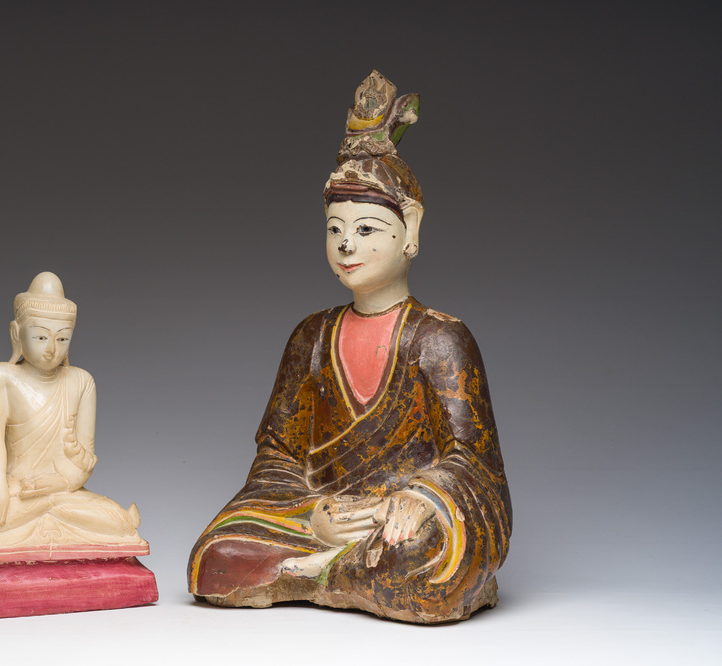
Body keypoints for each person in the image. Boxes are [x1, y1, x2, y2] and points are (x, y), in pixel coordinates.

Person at [188, 71, 511, 623]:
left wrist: (424, 498)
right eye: (335, 229)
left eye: (366, 229)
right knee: (211, 559)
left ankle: (317, 572)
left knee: (429, 557)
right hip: (324, 514)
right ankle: (338, 564)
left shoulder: (441, 338)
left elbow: (474, 463)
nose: (345, 244)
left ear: (409, 230)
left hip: (398, 521)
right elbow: (278, 457)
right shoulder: (311, 337)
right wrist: (314, 516)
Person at [0, 272, 143, 550]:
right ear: (16, 333)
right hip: (14, 490)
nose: (52, 349)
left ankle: (49, 509)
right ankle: (44, 512)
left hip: (63, 491)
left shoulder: (82, 382)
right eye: (41, 337)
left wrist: (59, 484)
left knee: (119, 521)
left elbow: (85, 459)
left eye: (62, 339)